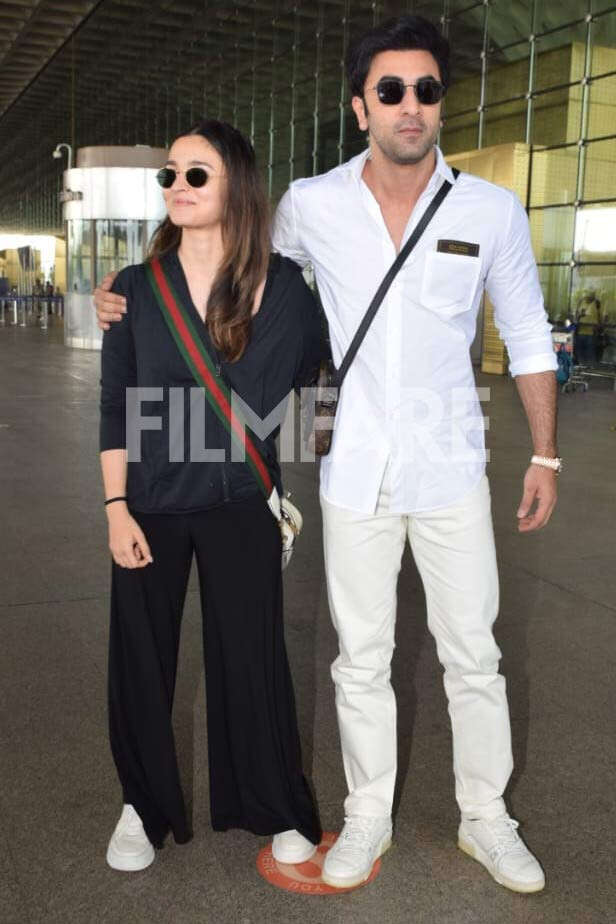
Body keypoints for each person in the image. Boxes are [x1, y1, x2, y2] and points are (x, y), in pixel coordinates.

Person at [95, 16, 560, 895]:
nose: (410, 106)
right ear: (361, 107)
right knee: (360, 656)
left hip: (452, 463)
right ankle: (369, 816)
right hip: (353, 474)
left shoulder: (490, 209)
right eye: (390, 90)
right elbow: (232, 262)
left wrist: (546, 456)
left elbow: (529, 332)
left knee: (474, 653)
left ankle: (487, 820)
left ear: (439, 102)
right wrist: (123, 288)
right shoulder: (313, 203)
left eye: (426, 89)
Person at [98, 119, 322, 872]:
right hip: (152, 501)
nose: (178, 188)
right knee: (140, 656)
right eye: (169, 174)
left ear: (237, 185)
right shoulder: (134, 288)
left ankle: (273, 804)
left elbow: (302, 383)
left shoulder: (282, 285)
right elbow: (115, 404)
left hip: (237, 500)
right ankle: (140, 804)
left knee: (251, 655)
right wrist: (114, 507)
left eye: (197, 174)